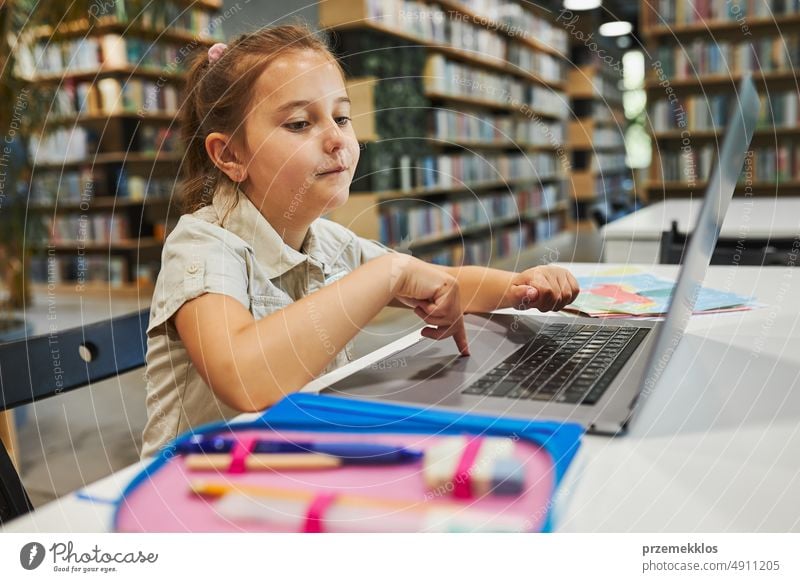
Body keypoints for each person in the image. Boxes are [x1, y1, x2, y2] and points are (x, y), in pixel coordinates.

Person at [141, 24, 579, 457]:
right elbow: (244, 377)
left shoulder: (327, 241)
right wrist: (390, 274)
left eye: (342, 116)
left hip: (297, 465)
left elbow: (444, 280)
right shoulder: (202, 245)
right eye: (299, 123)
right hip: (195, 494)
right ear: (230, 155)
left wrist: (523, 286)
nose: (337, 139)